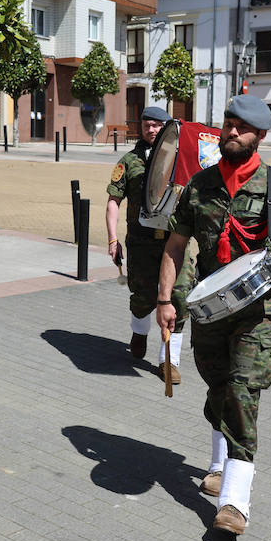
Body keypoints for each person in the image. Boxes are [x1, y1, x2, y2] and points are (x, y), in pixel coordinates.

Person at [156, 95, 271, 537]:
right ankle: (218, 465)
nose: (230, 132)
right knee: (219, 387)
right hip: (209, 310)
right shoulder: (199, 186)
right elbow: (175, 244)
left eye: (241, 128)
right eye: (228, 123)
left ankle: (234, 503)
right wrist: (166, 300)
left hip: (255, 313)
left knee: (243, 392)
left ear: (259, 136)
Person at [105, 105, 193, 381]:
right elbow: (113, 201)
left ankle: (169, 361)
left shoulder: (183, 161)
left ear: (167, 129)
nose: (152, 130)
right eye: (147, 125)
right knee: (142, 296)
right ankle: (139, 332)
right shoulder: (129, 162)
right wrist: (113, 239)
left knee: (178, 297)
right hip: (141, 242)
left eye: (157, 125)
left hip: (174, 241)